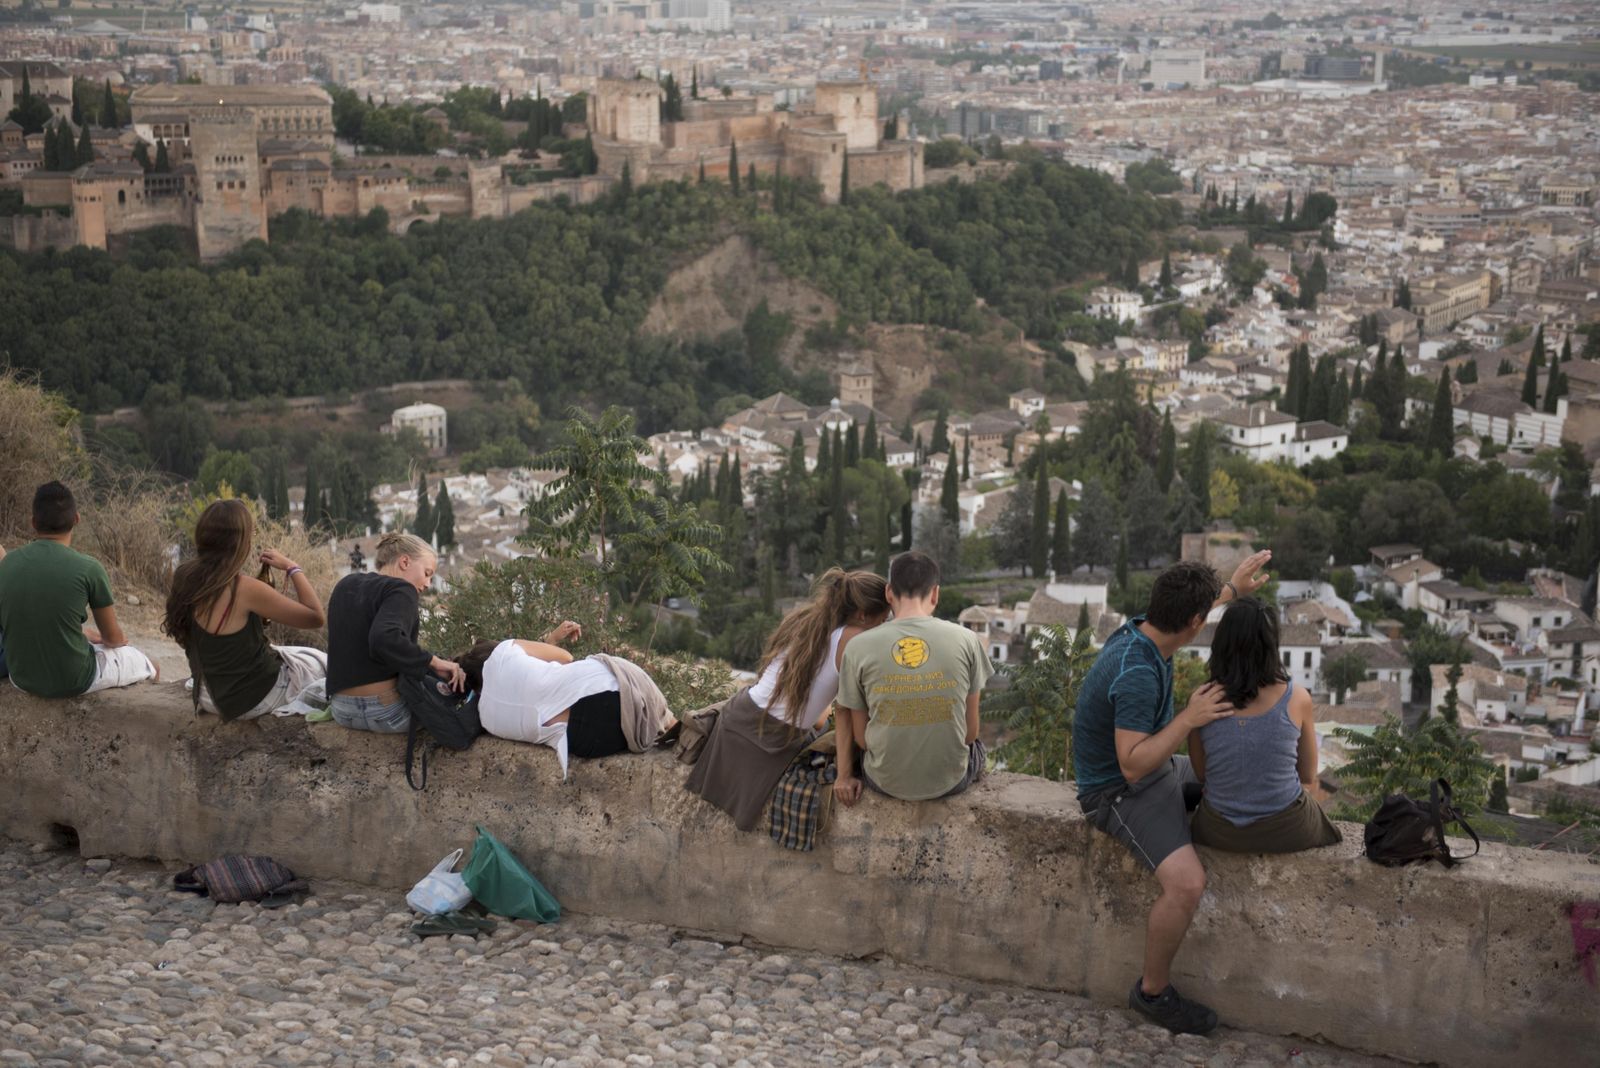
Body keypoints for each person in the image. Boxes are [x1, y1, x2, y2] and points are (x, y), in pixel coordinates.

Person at [1071, 552, 1271, 1036]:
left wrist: (1234, 591)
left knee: (1225, 783)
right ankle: (1153, 992)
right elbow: (1132, 762)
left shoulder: (1145, 630)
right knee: (1187, 884)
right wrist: (1189, 719)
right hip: (1118, 790)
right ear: (1194, 623)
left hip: (1154, 771)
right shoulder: (1137, 672)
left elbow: (1193, 611)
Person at [686, 568, 890, 830]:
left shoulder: (810, 619)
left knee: (819, 732)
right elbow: (845, 711)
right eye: (883, 619)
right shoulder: (855, 640)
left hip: (740, 715)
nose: (884, 627)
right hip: (768, 738)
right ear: (862, 615)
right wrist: (844, 776)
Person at [833, 551, 990, 806]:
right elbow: (970, 733)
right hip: (951, 781)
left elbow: (862, 739)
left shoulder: (857, 647)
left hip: (884, 781)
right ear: (935, 594)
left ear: (889, 593)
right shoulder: (967, 640)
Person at [1188, 598, 1340, 854]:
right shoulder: (1297, 698)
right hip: (1288, 830)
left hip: (1219, 832)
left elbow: (1203, 774)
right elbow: (1307, 775)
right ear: (1271, 647)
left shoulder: (1201, 700)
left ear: (1221, 644)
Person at [162, 499, 329, 721]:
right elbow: (316, 617)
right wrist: (292, 567)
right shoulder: (244, 589)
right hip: (250, 700)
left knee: (294, 654)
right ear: (241, 542)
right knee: (321, 663)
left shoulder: (185, 576)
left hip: (207, 695)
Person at [0, 482, 158, 698]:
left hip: (21, 678)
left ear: (33, 522)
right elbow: (112, 638)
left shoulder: (7, 564)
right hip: (74, 680)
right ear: (76, 519)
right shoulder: (89, 568)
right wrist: (117, 641)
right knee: (151, 665)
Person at [456, 626, 676, 775]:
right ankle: (670, 722)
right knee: (613, 665)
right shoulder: (504, 651)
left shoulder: (488, 721)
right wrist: (552, 639)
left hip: (590, 741)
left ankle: (667, 721)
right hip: (607, 700)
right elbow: (565, 658)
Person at [326, 532, 462, 733]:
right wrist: (434, 662)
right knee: (458, 712)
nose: (428, 584)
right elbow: (384, 638)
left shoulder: (346, 583)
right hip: (386, 713)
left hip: (341, 711)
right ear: (405, 562)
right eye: (427, 573)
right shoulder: (403, 590)